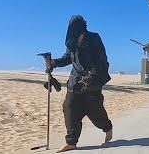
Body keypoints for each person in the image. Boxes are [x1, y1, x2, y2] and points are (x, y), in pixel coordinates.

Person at [46, 15, 113, 152]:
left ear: (81, 27)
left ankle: (107, 128)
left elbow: (101, 60)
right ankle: (71, 142)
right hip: (75, 83)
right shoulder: (72, 42)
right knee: (69, 108)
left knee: (95, 112)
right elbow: (67, 59)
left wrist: (91, 76)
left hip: (92, 83)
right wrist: (54, 63)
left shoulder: (94, 38)